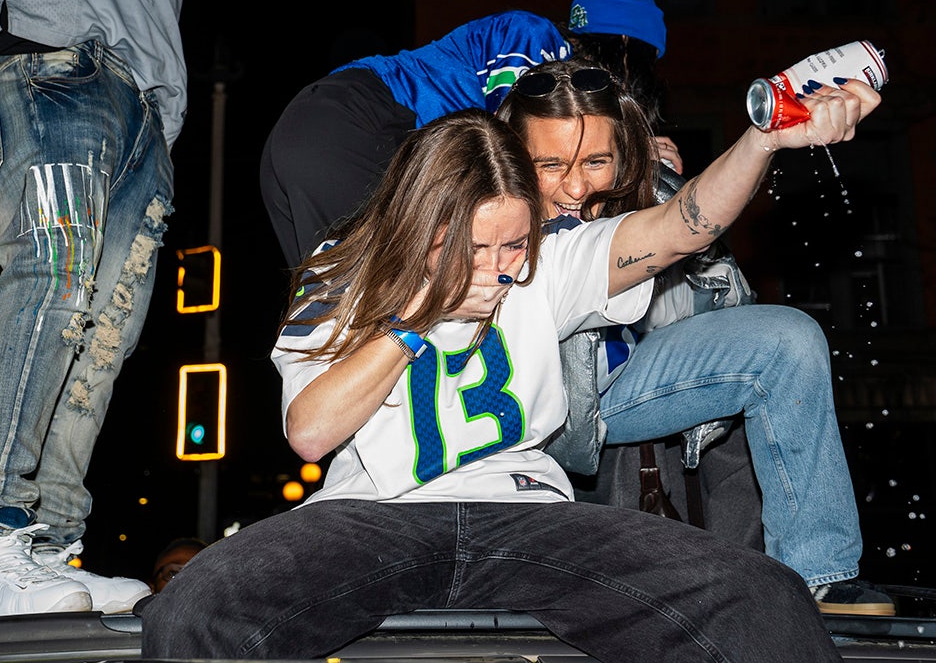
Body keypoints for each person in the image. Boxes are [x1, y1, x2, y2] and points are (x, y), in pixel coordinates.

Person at [142, 74, 879, 658]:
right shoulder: (342, 273)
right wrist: (414, 319)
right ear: (418, 223)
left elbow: (681, 226)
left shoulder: (547, 263)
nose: (497, 268)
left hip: (531, 517)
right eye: (473, 248)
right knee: (198, 607)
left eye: (513, 245)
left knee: (759, 597)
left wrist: (762, 138)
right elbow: (309, 431)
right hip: (373, 520)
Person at [498, 59, 895, 615]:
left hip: (621, 380)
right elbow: (684, 227)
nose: (576, 186)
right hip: (537, 411)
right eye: (550, 165)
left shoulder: (643, 187)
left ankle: (819, 573)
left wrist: (769, 134)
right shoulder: (488, 216)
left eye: (596, 162)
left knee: (788, 341)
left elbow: (696, 242)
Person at [0, 0, 228, 625]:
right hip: (54, 46)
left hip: (150, 105)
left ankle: (48, 547)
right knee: (52, 274)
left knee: (104, 339)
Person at [260, 0, 678, 270]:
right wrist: (636, 152)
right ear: (627, 52)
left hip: (310, 133)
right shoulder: (534, 41)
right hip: (355, 124)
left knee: (332, 314)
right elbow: (520, 155)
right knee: (376, 301)